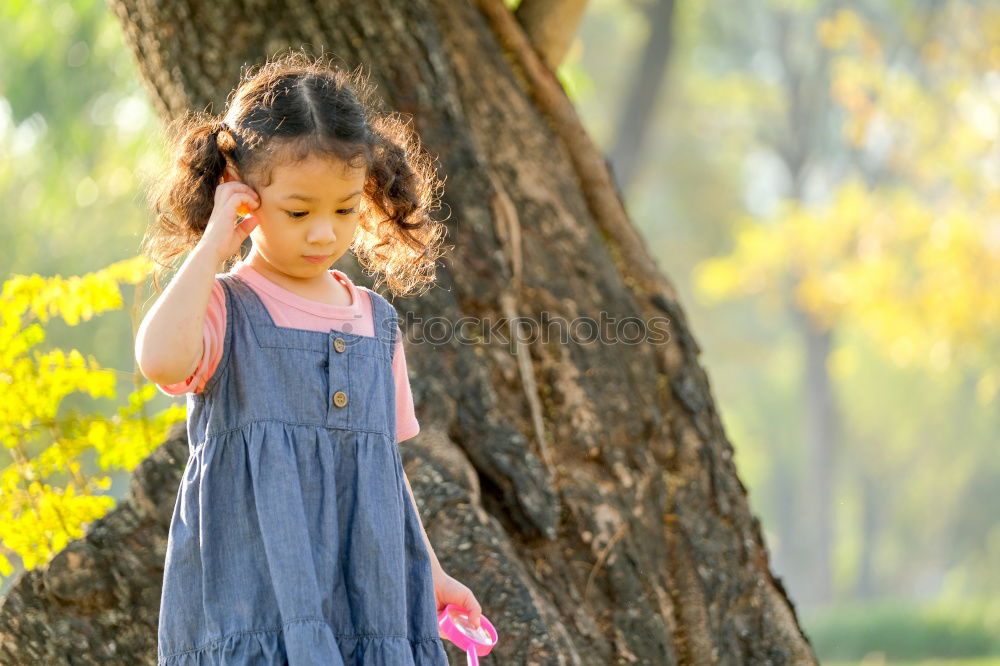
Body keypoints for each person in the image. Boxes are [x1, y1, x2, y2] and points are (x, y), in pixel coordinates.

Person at [135, 49, 480, 665]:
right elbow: (160, 360)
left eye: (345, 209)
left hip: (367, 600)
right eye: (299, 212)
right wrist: (215, 241)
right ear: (240, 193)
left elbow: (384, 467)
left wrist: (429, 573)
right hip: (254, 603)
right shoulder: (225, 306)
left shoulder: (376, 321)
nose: (325, 233)